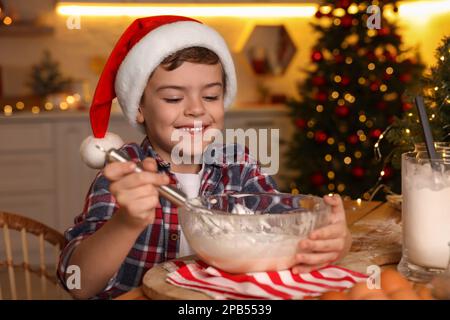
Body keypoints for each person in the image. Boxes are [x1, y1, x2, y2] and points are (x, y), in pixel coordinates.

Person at [57, 15, 352, 299]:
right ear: (139, 108)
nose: (197, 109)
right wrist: (127, 222)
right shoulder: (123, 175)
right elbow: (79, 283)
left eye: (210, 96)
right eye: (173, 98)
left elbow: (285, 227)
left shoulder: (239, 165)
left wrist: (331, 241)